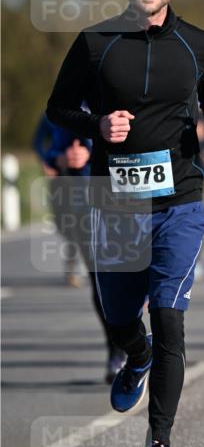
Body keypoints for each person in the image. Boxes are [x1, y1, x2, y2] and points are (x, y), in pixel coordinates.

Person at [46, 0, 204, 447]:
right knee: (121, 316)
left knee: (169, 315)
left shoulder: (198, 44)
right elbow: (57, 108)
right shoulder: (95, 42)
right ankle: (137, 354)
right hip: (116, 203)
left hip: (179, 201)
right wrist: (96, 125)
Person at [33, 114, 125, 382]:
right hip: (84, 203)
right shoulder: (69, 104)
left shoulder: (126, 95)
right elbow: (49, 146)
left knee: (135, 279)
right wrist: (61, 159)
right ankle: (117, 348)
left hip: (127, 195)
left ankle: (140, 341)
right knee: (101, 281)